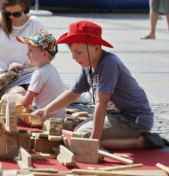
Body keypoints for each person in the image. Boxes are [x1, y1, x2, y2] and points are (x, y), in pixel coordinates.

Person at [32, 21, 162, 150]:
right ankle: (108, 139)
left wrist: (93, 140)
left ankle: (139, 142)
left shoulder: (109, 63)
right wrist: (46, 110)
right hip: (115, 116)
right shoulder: (87, 64)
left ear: (96, 48)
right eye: (72, 52)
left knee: (83, 136)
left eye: (78, 52)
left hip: (134, 120)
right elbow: (73, 93)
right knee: (79, 131)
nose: (73, 57)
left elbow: (102, 102)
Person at [2, 30, 66, 120]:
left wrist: (17, 98)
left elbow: (26, 102)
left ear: (44, 54)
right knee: (20, 91)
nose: (27, 54)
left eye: (31, 51)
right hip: (58, 116)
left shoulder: (39, 73)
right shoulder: (51, 69)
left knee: (6, 98)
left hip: (41, 118)